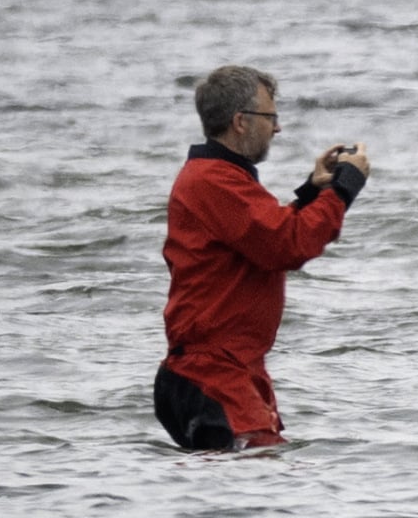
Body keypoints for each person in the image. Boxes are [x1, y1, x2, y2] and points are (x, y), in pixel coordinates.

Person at [154, 65, 370, 451]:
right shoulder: (214, 180)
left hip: (229, 369)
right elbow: (287, 244)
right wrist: (344, 190)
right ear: (241, 121)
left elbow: (263, 235)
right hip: (211, 373)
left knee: (259, 482)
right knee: (259, 472)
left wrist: (311, 192)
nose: (278, 128)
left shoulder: (223, 178)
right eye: (271, 117)